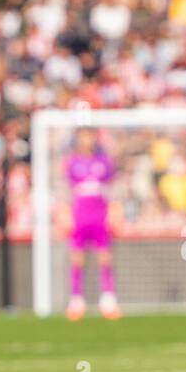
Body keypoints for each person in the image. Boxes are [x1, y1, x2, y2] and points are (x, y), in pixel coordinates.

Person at [64, 127, 120, 320]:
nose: (86, 140)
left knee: (104, 257)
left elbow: (112, 189)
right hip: (80, 218)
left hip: (100, 217)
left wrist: (113, 211)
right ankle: (76, 299)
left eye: (89, 136)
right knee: (77, 258)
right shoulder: (73, 163)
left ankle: (108, 298)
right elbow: (67, 190)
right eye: (82, 137)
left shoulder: (103, 163)